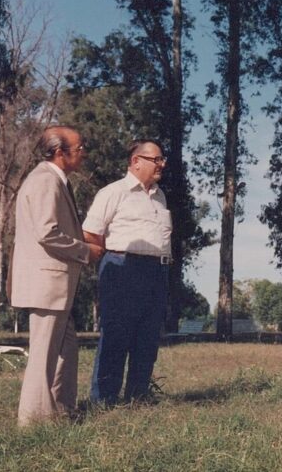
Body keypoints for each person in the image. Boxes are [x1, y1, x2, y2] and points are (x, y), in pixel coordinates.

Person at [11, 126, 104, 426]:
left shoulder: (53, 180)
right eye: (79, 148)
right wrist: (85, 251)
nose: (84, 152)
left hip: (54, 285)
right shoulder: (45, 181)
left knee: (66, 350)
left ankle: (61, 412)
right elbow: (47, 233)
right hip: (46, 284)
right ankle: (34, 422)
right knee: (43, 355)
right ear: (59, 153)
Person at [83, 139, 172, 404]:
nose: (162, 164)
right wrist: (114, 259)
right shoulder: (113, 192)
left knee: (147, 337)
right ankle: (103, 401)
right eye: (156, 159)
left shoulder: (160, 196)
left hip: (157, 272)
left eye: (162, 159)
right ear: (136, 161)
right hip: (122, 270)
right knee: (116, 336)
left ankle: (138, 397)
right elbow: (91, 233)